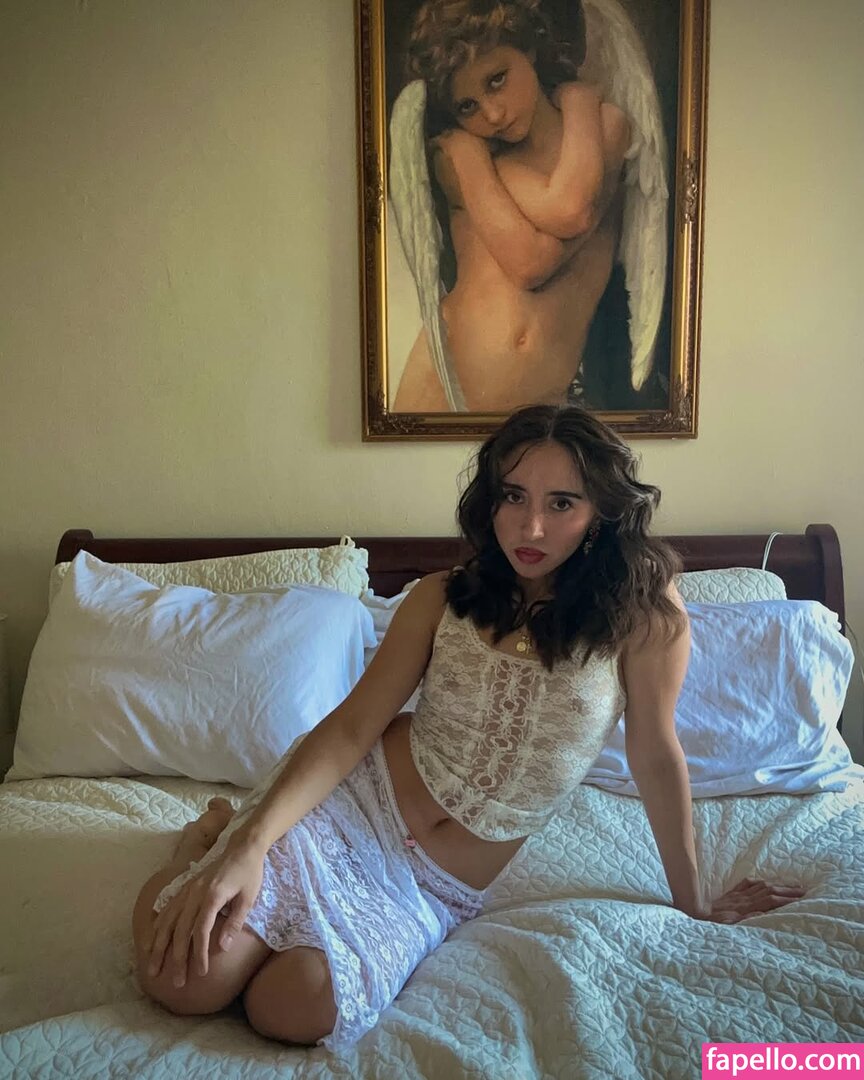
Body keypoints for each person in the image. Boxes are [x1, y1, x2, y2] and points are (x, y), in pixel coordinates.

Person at [134, 404, 805, 1050]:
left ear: (600, 511)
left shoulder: (643, 614)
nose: (530, 527)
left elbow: (655, 753)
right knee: (184, 981)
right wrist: (252, 843)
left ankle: (224, 850)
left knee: (295, 1005)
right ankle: (206, 844)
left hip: (435, 885)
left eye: (562, 503)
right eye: (513, 497)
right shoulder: (440, 597)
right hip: (349, 807)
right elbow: (352, 726)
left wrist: (693, 900)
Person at [390, 0, 661, 413]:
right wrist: (579, 100)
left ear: (529, 49)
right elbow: (529, 262)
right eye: (467, 106)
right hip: (439, 390)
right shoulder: (461, 155)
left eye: (497, 79)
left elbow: (572, 210)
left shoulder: (608, 126)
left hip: (533, 411)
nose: (493, 113)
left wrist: (578, 102)